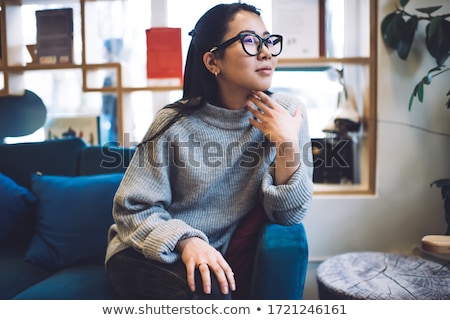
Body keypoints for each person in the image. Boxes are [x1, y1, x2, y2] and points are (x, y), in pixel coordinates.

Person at [105, 2, 314, 300]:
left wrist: (287, 143)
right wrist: (186, 241)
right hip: (146, 251)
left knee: (211, 286)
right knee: (209, 291)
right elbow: (132, 209)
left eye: (268, 40)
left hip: (208, 260)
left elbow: (289, 215)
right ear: (213, 61)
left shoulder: (287, 114)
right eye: (250, 41)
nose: (267, 52)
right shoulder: (174, 122)